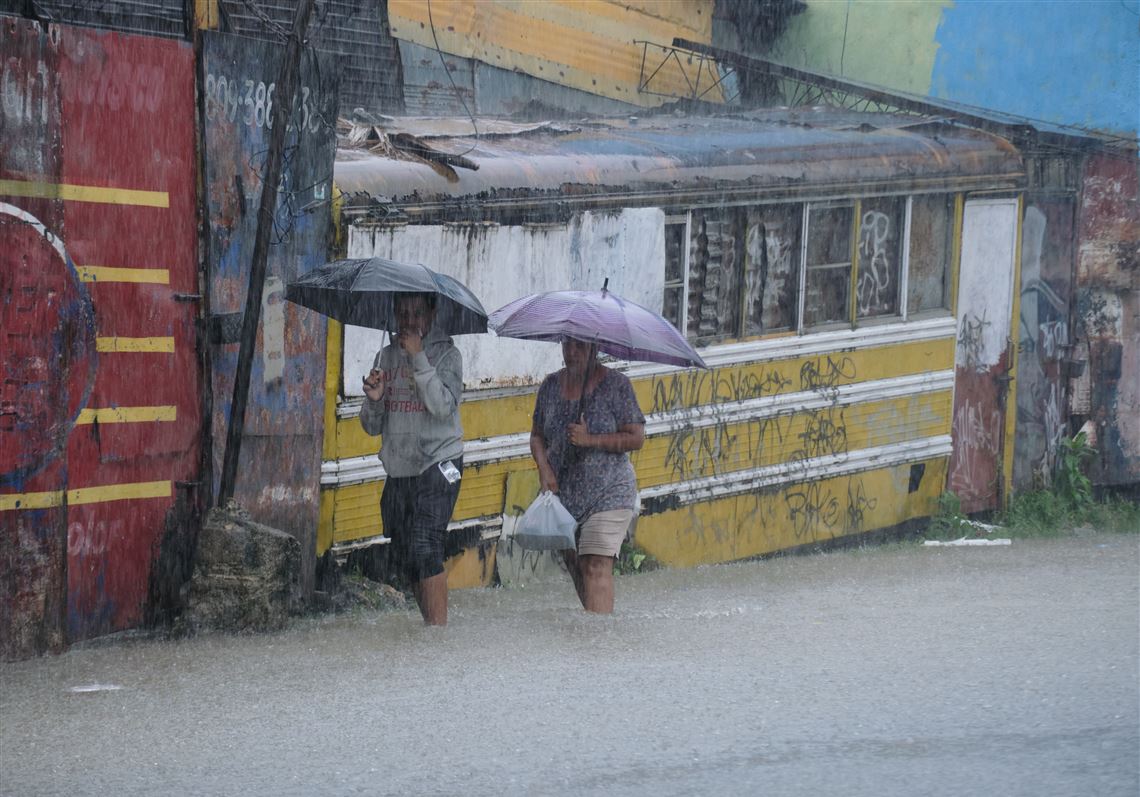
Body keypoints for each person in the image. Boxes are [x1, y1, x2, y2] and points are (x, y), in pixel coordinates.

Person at [360, 293, 464, 625]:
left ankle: (438, 634)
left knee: (425, 546)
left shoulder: (447, 354)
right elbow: (371, 426)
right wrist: (374, 400)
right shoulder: (386, 357)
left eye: (417, 313)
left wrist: (419, 359)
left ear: (432, 313)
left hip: (440, 462)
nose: (410, 321)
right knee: (406, 556)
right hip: (401, 467)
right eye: (403, 313)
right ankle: (429, 626)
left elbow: (442, 407)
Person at [529, 337, 646, 613]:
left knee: (595, 564)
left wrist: (590, 439)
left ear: (595, 347)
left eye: (580, 345)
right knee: (578, 567)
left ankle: (599, 645)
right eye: (566, 344)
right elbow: (536, 436)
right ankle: (596, 629)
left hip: (609, 492)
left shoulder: (616, 386)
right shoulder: (550, 386)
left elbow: (636, 437)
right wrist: (544, 470)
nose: (571, 352)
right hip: (564, 495)